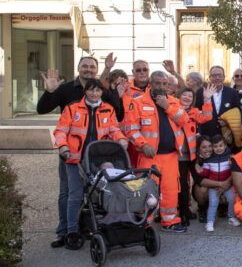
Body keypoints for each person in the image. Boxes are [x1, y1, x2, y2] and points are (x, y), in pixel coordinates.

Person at [52, 78, 128, 249]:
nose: (94, 94)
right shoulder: (72, 108)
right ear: (85, 91)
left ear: (102, 92)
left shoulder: (107, 109)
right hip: (74, 158)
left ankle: (93, 227)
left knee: (98, 193)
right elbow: (61, 131)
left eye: (98, 90)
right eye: (91, 90)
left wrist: (121, 140)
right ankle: (69, 232)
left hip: (95, 159)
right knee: (74, 195)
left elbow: (114, 129)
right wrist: (63, 147)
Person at [123, 71, 190, 232]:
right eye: (158, 84)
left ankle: (170, 221)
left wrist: (166, 107)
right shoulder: (138, 102)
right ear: (150, 84)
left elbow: (184, 120)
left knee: (171, 190)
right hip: (148, 156)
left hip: (171, 156)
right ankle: (144, 222)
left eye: (164, 84)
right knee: (146, 191)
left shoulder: (173, 102)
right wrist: (143, 144)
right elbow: (131, 129)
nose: (161, 87)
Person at [176, 86, 213, 226]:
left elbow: (207, 116)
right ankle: (184, 211)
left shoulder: (194, 112)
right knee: (182, 186)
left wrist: (207, 99)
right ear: (179, 96)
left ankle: (201, 207)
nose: (187, 98)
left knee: (199, 180)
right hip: (178, 155)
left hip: (192, 155)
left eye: (190, 96)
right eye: (184, 95)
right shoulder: (173, 110)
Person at [196, 135, 239, 232]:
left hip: (227, 186)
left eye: (220, 146)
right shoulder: (209, 159)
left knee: (232, 199)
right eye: (215, 146)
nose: (218, 148)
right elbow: (206, 173)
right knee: (213, 203)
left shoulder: (229, 158)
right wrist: (200, 170)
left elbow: (233, 172)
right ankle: (210, 222)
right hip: (213, 187)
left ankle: (231, 217)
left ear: (225, 146)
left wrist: (233, 163)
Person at [197, 66, 241, 139]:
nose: (217, 78)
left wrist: (227, 122)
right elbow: (197, 112)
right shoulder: (201, 92)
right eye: (214, 75)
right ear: (210, 78)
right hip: (206, 137)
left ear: (223, 77)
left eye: (220, 75)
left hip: (226, 137)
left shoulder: (232, 93)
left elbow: (237, 112)